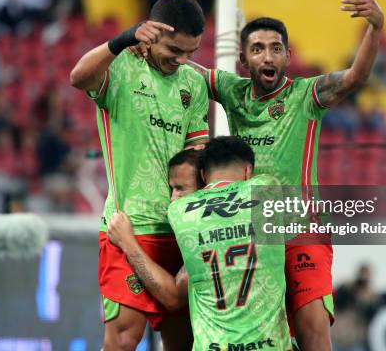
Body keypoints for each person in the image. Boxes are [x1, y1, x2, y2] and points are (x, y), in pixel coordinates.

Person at [186, 0, 385, 351]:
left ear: (288, 56)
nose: (268, 55)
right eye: (258, 48)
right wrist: (145, 41)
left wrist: (375, 27)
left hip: (301, 232)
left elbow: (356, 77)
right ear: (244, 59)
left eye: (276, 48)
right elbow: (189, 67)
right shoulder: (232, 91)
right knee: (262, 338)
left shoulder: (306, 96)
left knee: (312, 332)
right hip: (252, 238)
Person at [70, 0, 209, 350]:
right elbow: (78, 76)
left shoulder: (192, 85)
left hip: (179, 228)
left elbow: (198, 152)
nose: (182, 60)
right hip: (127, 226)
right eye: (175, 50)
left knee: (182, 342)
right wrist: (121, 41)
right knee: (123, 339)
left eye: (190, 53)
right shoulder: (120, 67)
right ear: (151, 35)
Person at [108, 136, 292, 350]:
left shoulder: (181, 211)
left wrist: (127, 242)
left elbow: (172, 297)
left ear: (204, 175)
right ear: (248, 171)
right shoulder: (269, 189)